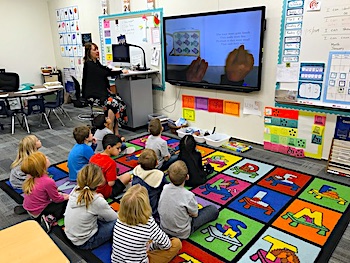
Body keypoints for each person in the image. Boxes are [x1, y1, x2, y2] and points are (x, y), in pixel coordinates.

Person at [111, 184, 182, 263]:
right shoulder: (148, 223)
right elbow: (166, 244)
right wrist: (151, 247)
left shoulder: (119, 218)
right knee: (176, 243)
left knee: (146, 239)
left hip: (117, 261)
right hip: (140, 259)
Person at [158, 160, 219, 239]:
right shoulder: (188, 195)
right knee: (213, 209)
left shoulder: (165, 188)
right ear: (187, 177)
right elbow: (195, 214)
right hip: (182, 233)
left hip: (164, 228)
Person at [64, 164, 118, 250]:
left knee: (97, 214)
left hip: (71, 235)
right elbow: (114, 217)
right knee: (119, 222)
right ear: (100, 182)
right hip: (86, 241)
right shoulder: (97, 201)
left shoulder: (76, 189)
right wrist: (103, 204)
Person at [82, 42, 127, 136]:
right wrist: (121, 71)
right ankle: (110, 129)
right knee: (112, 103)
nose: (97, 51)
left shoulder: (96, 63)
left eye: (97, 49)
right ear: (88, 52)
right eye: (94, 50)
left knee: (119, 101)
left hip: (101, 92)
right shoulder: (89, 64)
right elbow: (104, 73)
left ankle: (115, 129)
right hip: (93, 94)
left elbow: (104, 70)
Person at [22, 152, 69, 231]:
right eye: (45, 158)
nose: (47, 157)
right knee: (66, 202)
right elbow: (56, 199)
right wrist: (67, 197)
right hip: (38, 212)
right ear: (42, 166)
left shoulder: (31, 177)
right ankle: (49, 219)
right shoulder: (47, 181)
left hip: (29, 208)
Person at [89, 134, 132, 199]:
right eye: (117, 148)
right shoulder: (110, 163)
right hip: (105, 191)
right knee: (127, 176)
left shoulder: (93, 157)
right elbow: (111, 183)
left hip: (92, 188)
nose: (120, 150)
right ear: (109, 148)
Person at [132, 149, 168, 220]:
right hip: (152, 209)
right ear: (156, 163)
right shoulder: (159, 175)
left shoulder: (136, 171)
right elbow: (167, 187)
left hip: (137, 205)